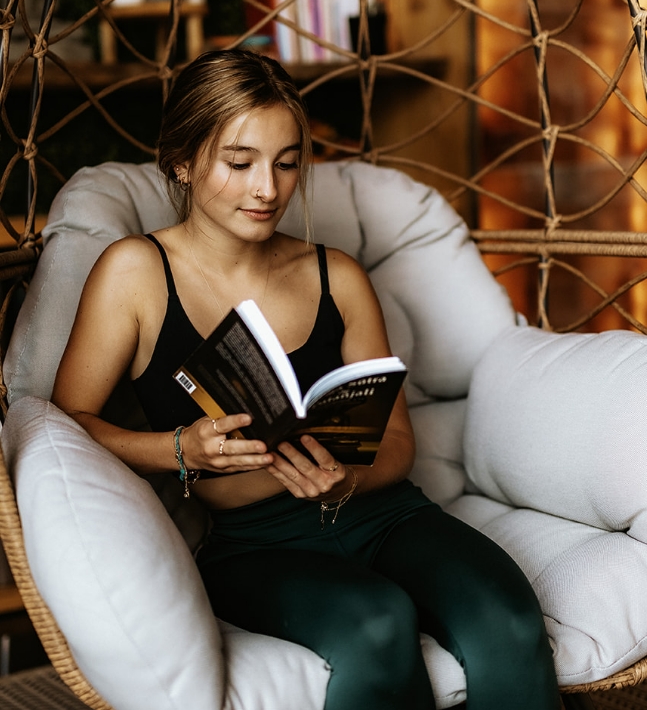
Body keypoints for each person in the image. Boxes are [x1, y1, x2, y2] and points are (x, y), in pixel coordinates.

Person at [52, 49, 561, 710]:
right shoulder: (134, 274)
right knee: (375, 623)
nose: (267, 187)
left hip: (385, 515)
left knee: (509, 620)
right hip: (253, 542)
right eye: (239, 162)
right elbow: (67, 425)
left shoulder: (337, 277)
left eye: (287, 162)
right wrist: (181, 449)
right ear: (181, 161)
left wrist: (348, 477)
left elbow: (398, 443)